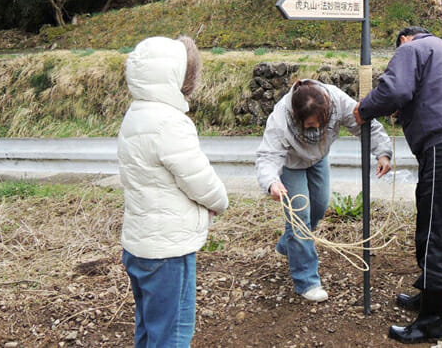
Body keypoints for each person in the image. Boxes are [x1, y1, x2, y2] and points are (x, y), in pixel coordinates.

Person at [354, 26, 442, 344]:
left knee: (434, 233)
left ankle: (431, 322)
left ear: (403, 39)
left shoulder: (411, 49)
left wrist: (365, 109)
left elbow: (394, 90)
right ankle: (427, 298)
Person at [117, 36, 229, 347]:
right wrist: (220, 202)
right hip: (168, 249)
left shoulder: (136, 114)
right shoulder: (170, 123)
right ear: (173, 76)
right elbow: (199, 180)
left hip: (140, 244)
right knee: (173, 334)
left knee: (150, 329)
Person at [256, 78, 392, 302]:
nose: (317, 129)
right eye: (310, 126)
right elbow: (268, 155)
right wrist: (271, 182)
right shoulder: (281, 117)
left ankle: (288, 246)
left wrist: (383, 152)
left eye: (321, 124)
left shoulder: (337, 101)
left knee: (318, 208)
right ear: (297, 118)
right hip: (291, 164)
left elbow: (364, 122)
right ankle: (307, 281)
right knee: (299, 219)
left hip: (318, 159)